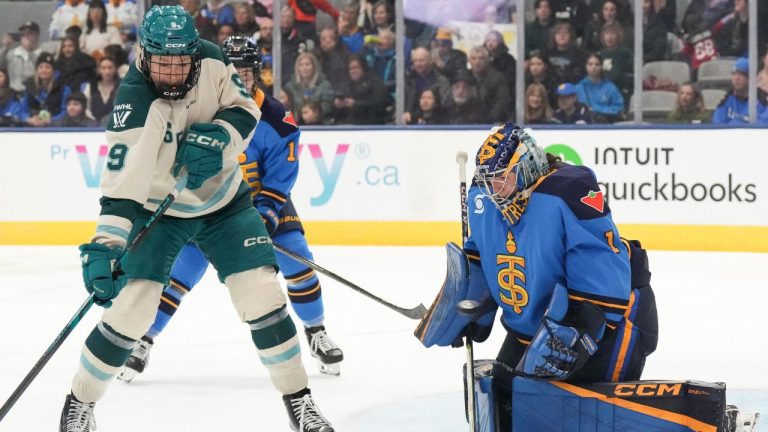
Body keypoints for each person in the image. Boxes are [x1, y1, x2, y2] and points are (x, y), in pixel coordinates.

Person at [59, 7, 334, 432]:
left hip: (226, 205)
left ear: (193, 53)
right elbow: (120, 194)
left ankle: (300, 401)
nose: (170, 73)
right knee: (132, 308)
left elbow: (245, 108)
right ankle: (80, 402)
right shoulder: (133, 104)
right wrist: (107, 248)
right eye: (161, 63)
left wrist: (221, 135)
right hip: (160, 213)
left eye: (179, 62)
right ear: (144, 55)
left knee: (262, 295)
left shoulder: (212, 59)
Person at [118, 35, 344, 385]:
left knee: (296, 257)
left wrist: (266, 211)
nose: (239, 77)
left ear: (257, 73)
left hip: (260, 201)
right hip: (205, 204)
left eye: (246, 71)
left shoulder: (277, 119)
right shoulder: (196, 106)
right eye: (232, 70)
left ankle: (316, 331)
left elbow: (280, 176)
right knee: (178, 274)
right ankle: (143, 340)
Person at [416, 123, 657, 432]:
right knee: (503, 404)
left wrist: (580, 328)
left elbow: (602, 271)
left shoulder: (568, 192)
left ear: (528, 165)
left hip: (612, 322)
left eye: (504, 179)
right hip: (536, 327)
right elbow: (480, 258)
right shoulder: (483, 199)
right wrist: (470, 307)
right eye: (490, 181)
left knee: (579, 418)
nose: (495, 190)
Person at [712, 57, 768, 124]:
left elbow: (763, 125)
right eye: (733, 74)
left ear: (750, 78)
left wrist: (735, 124)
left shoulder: (762, 99)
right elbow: (717, 122)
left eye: (741, 74)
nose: (736, 78)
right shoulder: (728, 97)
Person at [575, 53, 624, 123]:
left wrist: (597, 110)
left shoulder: (610, 88)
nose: (593, 67)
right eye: (590, 64)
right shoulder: (578, 88)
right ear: (585, 67)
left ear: (601, 67)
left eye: (597, 64)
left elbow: (619, 109)